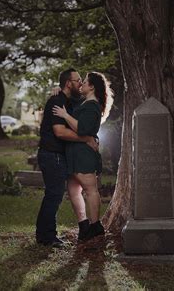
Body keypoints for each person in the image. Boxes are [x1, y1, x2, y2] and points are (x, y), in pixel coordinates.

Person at [35, 68, 98, 248]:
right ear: (69, 83)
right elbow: (59, 132)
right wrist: (86, 138)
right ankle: (47, 236)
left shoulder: (70, 101)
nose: (80, 83)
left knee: (53, 195)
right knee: (53, 195)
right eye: (77, 80)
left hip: (57, 156)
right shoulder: (57, 101)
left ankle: (44, 234)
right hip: (51, 155)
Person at [53, 72, 113, 241]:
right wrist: (59, 88)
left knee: (90, 189)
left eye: (85, 82)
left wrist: (65, 116)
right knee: (73, 190)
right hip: (74, 152)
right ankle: (84, 226)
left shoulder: (93, 106)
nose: (82, 84)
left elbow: (83, 129)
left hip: (83, 155)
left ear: (92, 86)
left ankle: (95, 227)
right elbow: (70, 98)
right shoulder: (85, 102)